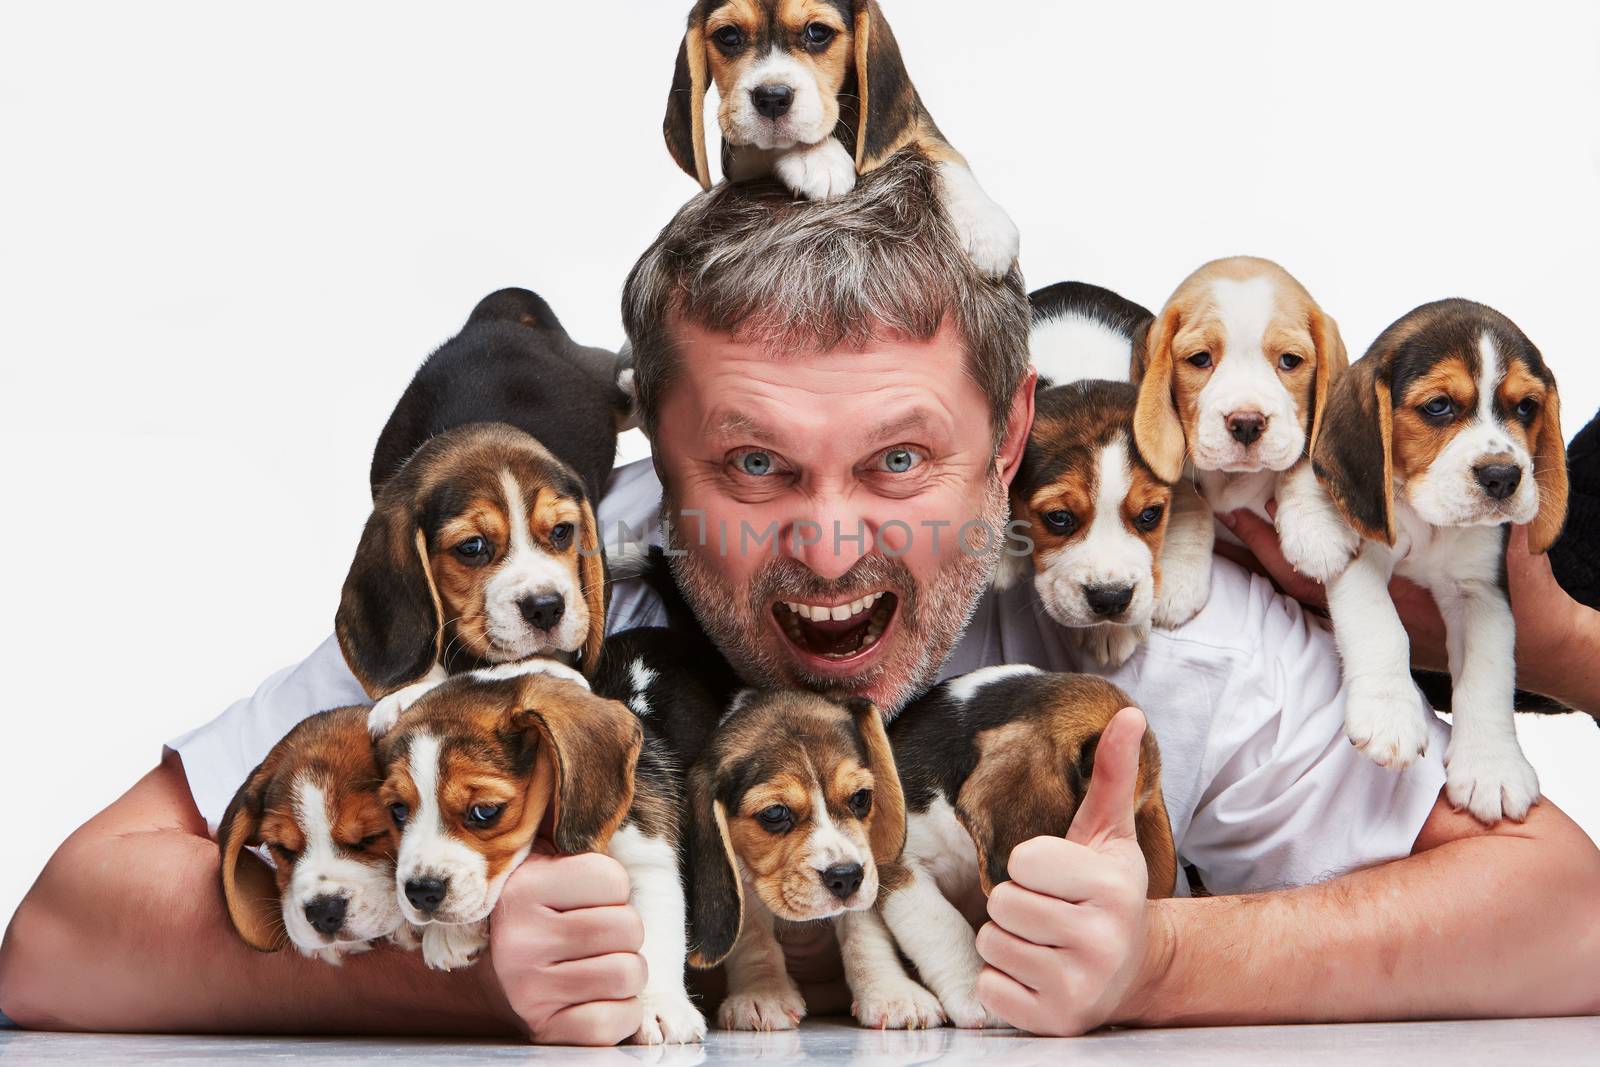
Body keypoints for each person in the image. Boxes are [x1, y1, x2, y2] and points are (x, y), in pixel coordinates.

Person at [2, 155, 1597, 1043]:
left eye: (901, 462)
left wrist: (1166, 968)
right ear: (653, 457)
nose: (835, 549)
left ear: (1015, 436)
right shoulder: (556, 592)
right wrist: (473, 963)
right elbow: (69, 933)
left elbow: (1564, 915)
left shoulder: (1127, 608)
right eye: (756, 471)